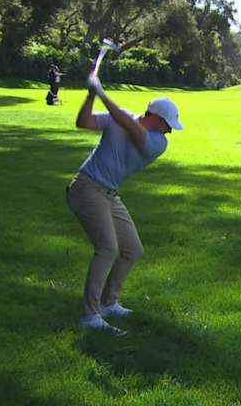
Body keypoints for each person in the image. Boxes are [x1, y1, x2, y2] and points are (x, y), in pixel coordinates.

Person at [67, 72, 183, 333]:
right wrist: (90, 96)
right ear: (153, 117)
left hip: (109, 194)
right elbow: (83, 122)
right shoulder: (121, 120)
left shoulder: (157, 143)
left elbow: (133, 128)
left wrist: (102, 94)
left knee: (132, 249)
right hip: (86, 187)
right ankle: (90, 315)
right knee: (107, 249)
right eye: (167, 124)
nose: (169, 130)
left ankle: (109, 303)